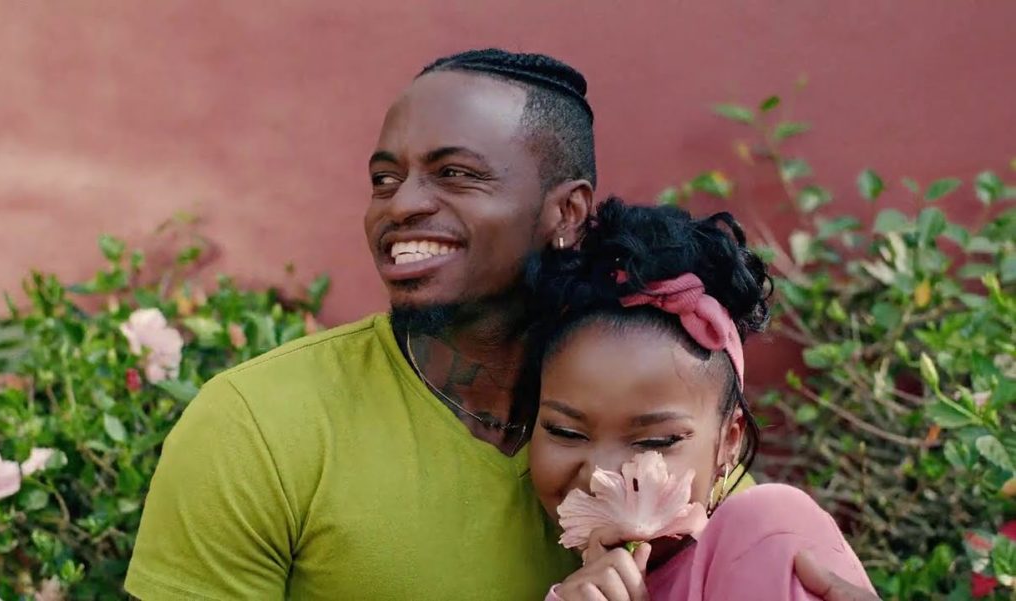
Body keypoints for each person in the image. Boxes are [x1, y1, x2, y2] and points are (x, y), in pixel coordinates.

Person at [125, 49, 881, 600]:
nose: (400, 204)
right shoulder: (259, 425)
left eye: (454, 174)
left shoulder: (665, 435)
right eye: (385, 178)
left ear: (568, 211)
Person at [524, 199, 875, 600]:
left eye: (656, 441)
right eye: (565, 432)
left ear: (729, 442)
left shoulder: (769, 533)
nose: (600, 474)